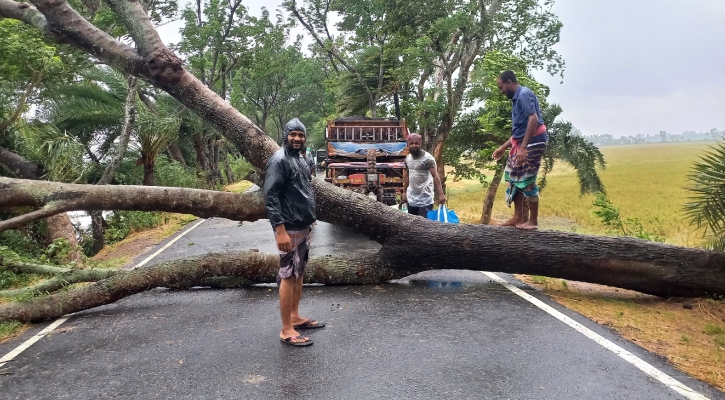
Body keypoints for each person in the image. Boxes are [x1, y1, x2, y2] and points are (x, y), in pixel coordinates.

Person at [264, 118, 325, 347]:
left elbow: (302, 189)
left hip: (303, 225)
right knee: (288, 275)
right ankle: (286, 329)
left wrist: (310, 216)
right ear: (285, 135)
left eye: (301, 135)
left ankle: (295, 317)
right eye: (293, 134)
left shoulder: (301, 158)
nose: (297, 138)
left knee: (298, 273)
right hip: (288, 227)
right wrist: (279, 230)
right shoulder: (279, 160)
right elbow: (270, 196)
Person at [492, 70, 548, 230]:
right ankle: (518, 217)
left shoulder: (523, 95)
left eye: (501, 87)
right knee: (512, 176)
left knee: (527, 179)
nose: (501, 91)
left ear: (509, 82)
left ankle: (533, 221)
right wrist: (503, 148)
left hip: (533, 142)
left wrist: (523, 148)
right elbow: (519, 132)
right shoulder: (516, 99)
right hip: (522, 143)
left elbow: (533, 119)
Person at [402, 133, 446, 217]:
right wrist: (404, 192)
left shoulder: (428, 159)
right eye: (411, 143)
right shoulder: (408, 158)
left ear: (420, 144)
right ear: (408, 144)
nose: (414, 145)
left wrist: (441, 194)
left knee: (424, 226)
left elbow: (435, 176)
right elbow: (407, 175)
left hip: (425, 200)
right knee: (412, 224)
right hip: (412, 199)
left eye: (416, 143)